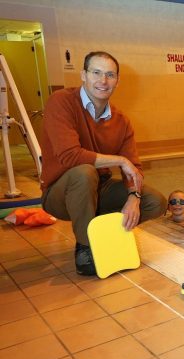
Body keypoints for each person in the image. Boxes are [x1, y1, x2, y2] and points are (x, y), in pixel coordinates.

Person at [39, 51, 166, 276]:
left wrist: (133, 197)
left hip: (99, 188)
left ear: (117, 81)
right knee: (83, 173)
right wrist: (120, 160)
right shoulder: (62, 102)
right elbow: (70, 156)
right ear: (83, 75)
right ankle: (86, 247)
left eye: (110, 75)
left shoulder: (121, 121)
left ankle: (103, 233)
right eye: (96, 72)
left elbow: (134, 167)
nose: (103, 81)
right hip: (60, 192)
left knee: (154, 202)